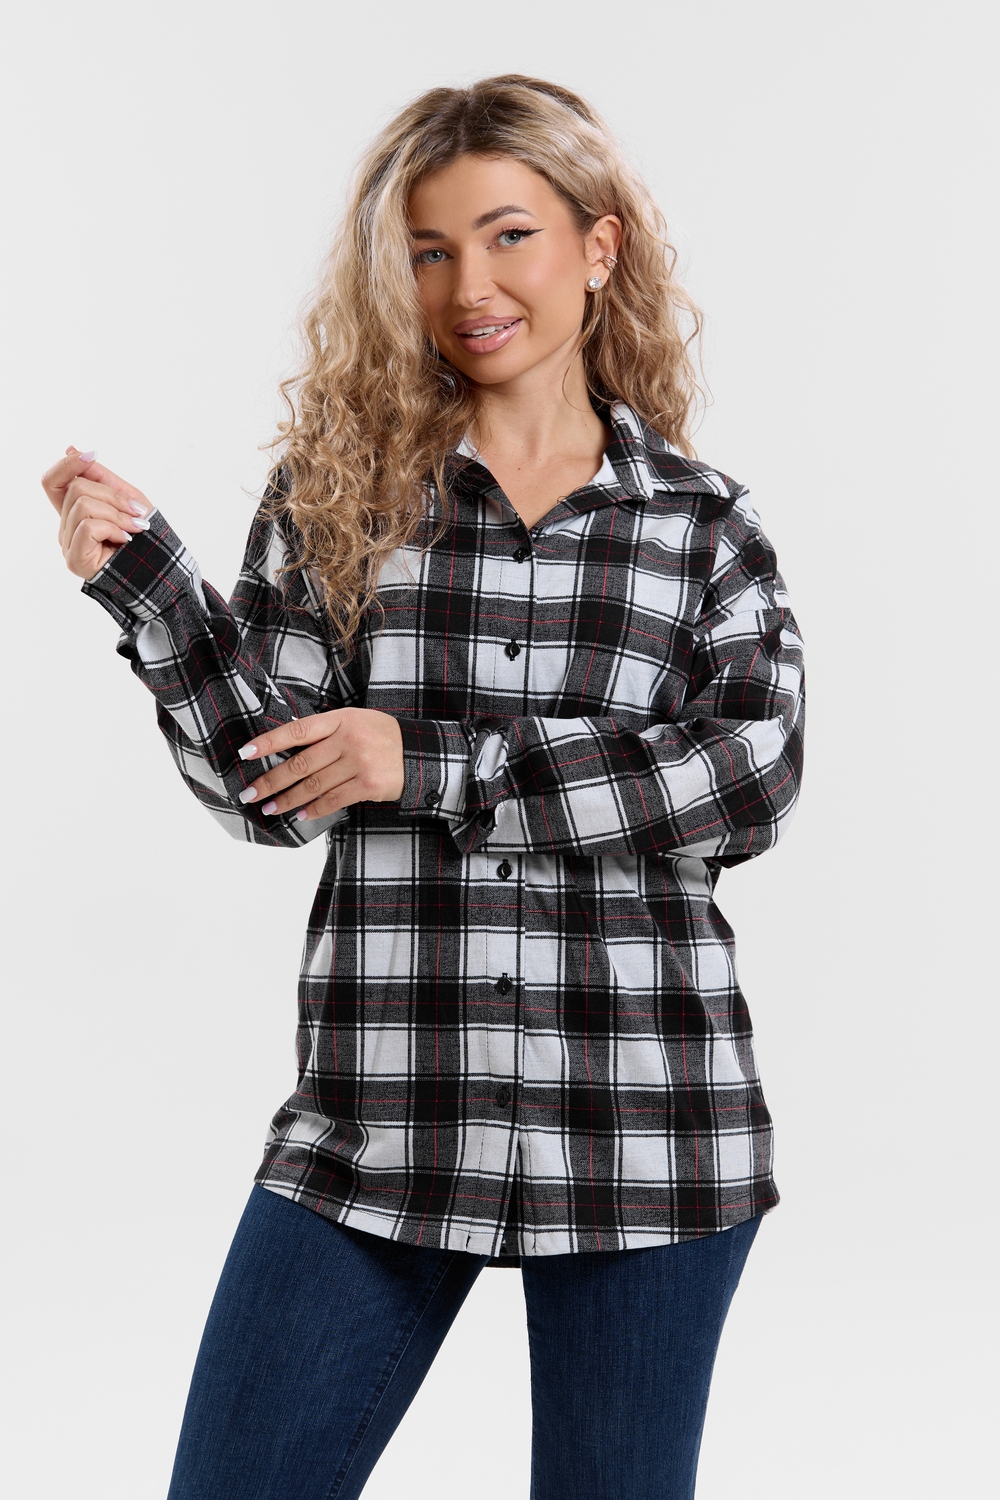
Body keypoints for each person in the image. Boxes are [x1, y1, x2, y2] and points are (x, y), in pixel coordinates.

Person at [41, 75, 804, 1500]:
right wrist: (152, 595)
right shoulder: (337, 497)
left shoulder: (702, 527)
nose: (470, 287)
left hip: (648, 1129)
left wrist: (438, 762)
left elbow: (748, 776)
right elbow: (273, 790)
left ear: (599, 247)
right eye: (431, 250)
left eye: (510, 236)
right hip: (381, 1114)